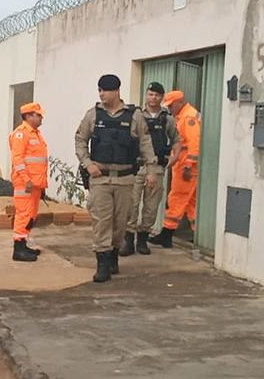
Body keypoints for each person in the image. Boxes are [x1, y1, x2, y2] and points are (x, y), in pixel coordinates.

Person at [74, 74, 159, 283]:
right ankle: (102, 263)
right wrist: (88, 163)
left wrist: (151, 170)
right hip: (100, 178)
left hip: (125, 178)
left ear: (117, 91)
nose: (102, 94)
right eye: (99, 90)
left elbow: (146, 144)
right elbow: (80, 140)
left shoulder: (134, 116)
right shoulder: (93, 115)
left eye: (105, 90)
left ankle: (113, 255)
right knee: (102, 220)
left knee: (121, 222)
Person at [121, 83, 181, 256]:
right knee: (131, 204)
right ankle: (128, 241)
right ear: (146, 95)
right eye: (150, 94)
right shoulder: (136, 115)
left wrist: (175, 157)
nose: (153, 98)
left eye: (157, 95)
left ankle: (142, 240)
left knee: (151, 206)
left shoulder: (167, 118)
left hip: (157, 168)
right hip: (136, 167)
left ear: (162, 98)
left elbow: (176, 139)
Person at [150, 90, 201, 248]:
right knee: (191, 202)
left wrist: (188, 166)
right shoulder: (183, 116)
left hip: (186, 166)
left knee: (177, 198)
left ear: (180, 102)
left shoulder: (188, 117)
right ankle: (197, 233)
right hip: (183, 164)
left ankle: (167, 234)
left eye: (171, 105)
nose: (170, 109)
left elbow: (194, 143)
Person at [8, 102, 48, 262]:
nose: (41, 117)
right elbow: (17, 159)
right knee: (23, 214)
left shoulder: (35, 133)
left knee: (31, 215)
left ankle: (23, 244)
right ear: (29, 116)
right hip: (26, 184)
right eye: (38, 115)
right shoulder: (21, 134)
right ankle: (18, 248)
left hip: (35, 184)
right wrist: (26, 179)